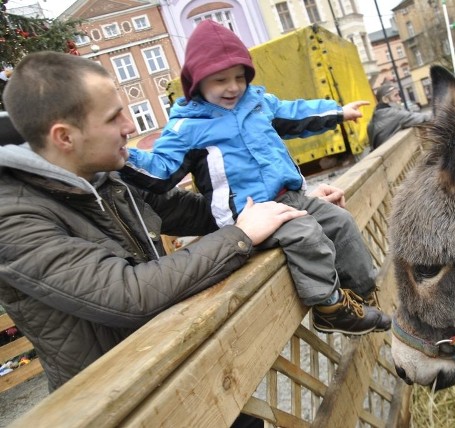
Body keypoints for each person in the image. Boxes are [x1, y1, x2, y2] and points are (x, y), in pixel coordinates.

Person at [0, 51, 344, 427]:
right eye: (113, 117)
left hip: (176, 373)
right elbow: (128, 293)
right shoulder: (12, 216)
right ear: (64, 136)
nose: (130, 126)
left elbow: (200, 211)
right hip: (121, 406)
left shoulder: (104, 177)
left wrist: (290, 205)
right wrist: (241, 235)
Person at [120, 20, 390, 336]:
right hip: (249, 212)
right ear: (196, 83)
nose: (233, 87)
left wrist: (337, 112)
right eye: (220, 80)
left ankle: (361, 293)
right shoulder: (188, 126)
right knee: (305, 234)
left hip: (290, 196)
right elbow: (161, 168)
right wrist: (123, 157)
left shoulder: (257, 102)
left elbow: (296, 114)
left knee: (341, 222)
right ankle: (329, 308)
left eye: (239, 77)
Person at [366, 84, 431, 150]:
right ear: (385, 99)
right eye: (396, 95)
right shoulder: (394, 114)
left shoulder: (375, 117)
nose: (399, 98)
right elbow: (423, 117)